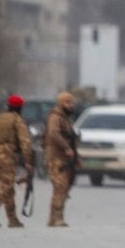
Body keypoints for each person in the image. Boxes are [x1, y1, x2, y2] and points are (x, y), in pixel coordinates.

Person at [0, 94, 34, 228]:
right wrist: (28, 161)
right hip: (7, 153)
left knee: (8, 186)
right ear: (20, 107)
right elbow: (25, 141)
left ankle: (12, 219)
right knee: (7, 185)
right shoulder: (17, 120)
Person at [43, 91, 80, 227]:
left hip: (65, 159)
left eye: (71, 102)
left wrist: (76, 158)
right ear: (61, 103)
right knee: (60, 187)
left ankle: (54, 218)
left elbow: (71, 139)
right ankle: (57, 218)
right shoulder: (55, 117)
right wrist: (66, 148)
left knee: (63, 188)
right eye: (68, 102)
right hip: (56, 158)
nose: (71, 105)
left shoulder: (65, 118)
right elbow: (53, 133)